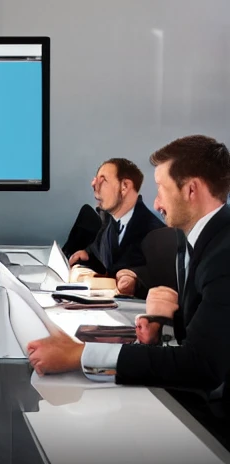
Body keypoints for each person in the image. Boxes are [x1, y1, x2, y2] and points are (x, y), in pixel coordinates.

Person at [28, 135, 230, 397]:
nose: (157, 203)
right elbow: (214, 325)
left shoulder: (223, 256)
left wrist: (81, 354)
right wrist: (163, 324)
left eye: (161, 189)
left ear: (191, 190)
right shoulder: (191, 235)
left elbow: (201, 366)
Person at [68, 158, 164, 278]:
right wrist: (87, 254)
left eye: (102, 180)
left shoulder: (155, 233)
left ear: (124, 186)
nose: (94, 186)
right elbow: (97, 250)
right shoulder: (110, 222)